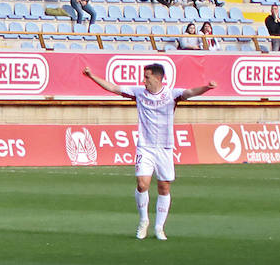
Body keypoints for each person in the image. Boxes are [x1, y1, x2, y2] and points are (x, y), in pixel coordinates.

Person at [82, 63, 216, 241]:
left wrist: (206, 87)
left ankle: (159, 227)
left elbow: (190, 92)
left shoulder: (171, 95)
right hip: (145, 146)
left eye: (147, 77)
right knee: (142, 183)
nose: (143, 80)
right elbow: (114, 88)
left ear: (158, 78)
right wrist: (92, 75)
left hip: (165, 147)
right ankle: (143, 220)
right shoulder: (138, 93)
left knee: (164, 187)